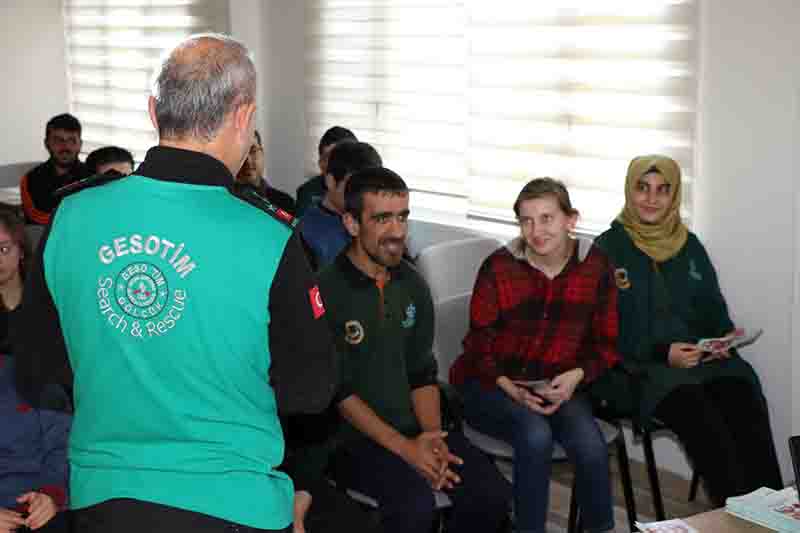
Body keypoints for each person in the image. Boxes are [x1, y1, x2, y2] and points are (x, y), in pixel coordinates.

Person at [13, 34, 337, 533]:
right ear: (243, 116)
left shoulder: (73, 214)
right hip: (233, 504)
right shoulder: (269, 235)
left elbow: (36, 364)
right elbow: (311, 391)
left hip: (104, 501)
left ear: (152, 110)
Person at [320, 167, 511, 533]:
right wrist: (407, 450)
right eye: (381, 219)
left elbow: (421, 372)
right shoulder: (325, 290)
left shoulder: (413, 284)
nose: (396, 231)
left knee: (492, 496)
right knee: (414, 510)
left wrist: (433, 440)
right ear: (351, 223)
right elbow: (338, 392)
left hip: (414, 429)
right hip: (351, 440)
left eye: (402, 217)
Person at [590, 154, 783, 506]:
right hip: (635, 370)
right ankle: (737, 517)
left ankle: (773, 512)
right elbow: (602, 331)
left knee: (741, 388)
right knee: (699, 412)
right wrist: (662, 352)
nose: (651, 199)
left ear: (675, 195)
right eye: (642, 188)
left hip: (697, 361)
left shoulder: (689, 245)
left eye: (663, 190)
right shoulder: (607, 250)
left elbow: (713, 308)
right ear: (629, 190)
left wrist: (723, 340)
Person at [450, 178, 619, 533]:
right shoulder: (499, 267)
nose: (536, 230)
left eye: (547, 218)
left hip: (557, 383)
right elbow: (478, 345)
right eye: (526, 221)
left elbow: (606, 343)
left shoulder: (596, 266)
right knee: (535, 434)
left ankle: (600, 528)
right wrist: (508, 386)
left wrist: (577, 377)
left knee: (589, 444)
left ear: (570, 220)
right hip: (491, 382)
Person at [1, 209, 71, 533]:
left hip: (44, 475)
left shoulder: (46, 313)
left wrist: (53, 493)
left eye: (3, 249)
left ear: (20, 251)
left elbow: (62, 424)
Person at [299, 141, 382, 269]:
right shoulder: (305, 234)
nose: (365, 196)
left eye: (371, 188)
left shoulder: (379, 221)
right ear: (331, 181)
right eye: (356, 187)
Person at [19, 113, 91, 225]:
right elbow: (37, 218)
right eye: (58, 140)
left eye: (72, 141)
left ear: (80, 144)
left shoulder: (93, 176)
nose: (65, 147)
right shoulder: (30, 179)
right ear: (46, 143)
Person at [295, 126, 357, 217]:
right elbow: (301, 229)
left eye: (340, 158)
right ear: (321, 164)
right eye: (328, 158)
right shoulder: (307, 193)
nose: (335, 165)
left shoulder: (372, 191)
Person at [236, 130, 297, 216]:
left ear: (262, 153)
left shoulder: (285, 203)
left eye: (253, 151)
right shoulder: (227, 201)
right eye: (242, 152)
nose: (248, 161)